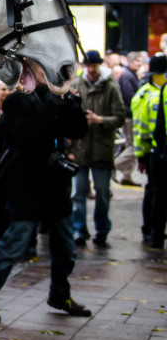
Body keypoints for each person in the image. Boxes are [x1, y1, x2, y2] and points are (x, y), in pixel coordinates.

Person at [0, 73, 90, 323]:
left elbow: (77, 130)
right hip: (26, 184)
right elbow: (26, 133)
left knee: (65, 246)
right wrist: (53, 104)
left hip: (55, 184)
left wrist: (74, 106)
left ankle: (60, 295)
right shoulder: (15, 102)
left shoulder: (55, 100)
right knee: (15, 243)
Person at [70, 50, 127, 246]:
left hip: (102, 148)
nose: (91, 69)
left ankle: (102, 229)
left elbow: (120, 116)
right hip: (80, 148)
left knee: (102, 192)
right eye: (88, 66)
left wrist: (100, 120)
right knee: (78, 193)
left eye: (94, 65)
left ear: (99, 65)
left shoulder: (111, 87)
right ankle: (79, 231)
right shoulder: (76, 85)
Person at [133, 53, 167, 249]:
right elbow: (140, 128)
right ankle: (151, 232)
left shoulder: (150, 93)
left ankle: (153, 233)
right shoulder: (145, 95)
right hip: (155, 151)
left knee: (154, 193)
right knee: (155, 194)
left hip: (155, 151)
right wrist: (142, 154)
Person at [115, 52, 145, 186]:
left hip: (130, 115)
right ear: (131, 62)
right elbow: (130, 97)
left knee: (129, 145)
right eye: (138, 61)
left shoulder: (130, 75)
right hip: (130, 116)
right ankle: (113, 166)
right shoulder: (127, 76)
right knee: (133, 147)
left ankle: (127, 176)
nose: (140, 64)